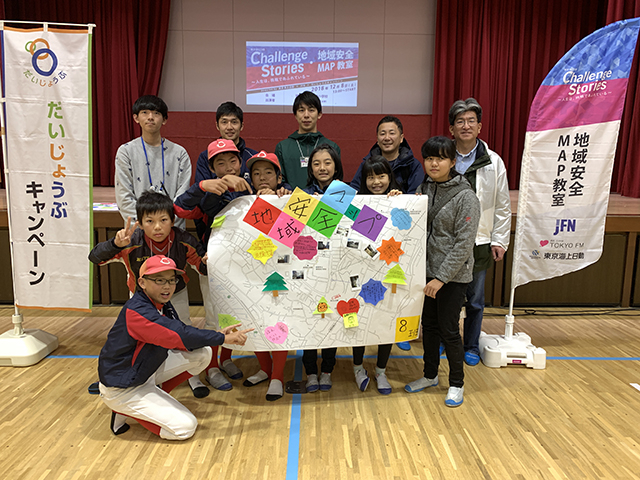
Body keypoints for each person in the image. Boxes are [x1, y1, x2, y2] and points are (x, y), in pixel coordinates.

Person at [98, 255, 252, 440]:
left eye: (172, 280)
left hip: (144, 371)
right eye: (159, 280)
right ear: (142, 282)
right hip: (123, 386)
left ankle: (155, 396)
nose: (167, 286)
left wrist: (216, 334)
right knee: (185, 428)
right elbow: (179, 334)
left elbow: (181, 333)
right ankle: (123, 409)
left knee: (202, 354)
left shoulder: (160, 303)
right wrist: (221, 337)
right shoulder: (138, 312)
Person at [88, 190, 210, 397]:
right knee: (135, 340)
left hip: (175, 294)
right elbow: (95, 258)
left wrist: (208, 262)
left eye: (163, 220)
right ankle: (124, 378)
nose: (157, 227)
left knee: (183, 331)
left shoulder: (183, 240)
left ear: (173, 220)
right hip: (140, 298)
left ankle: (193, 377)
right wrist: (115, 245)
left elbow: (201, 267)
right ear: (141, 223)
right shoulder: (130, 241)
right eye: (150, 221)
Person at [405, 136, 480, 407]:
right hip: (424, 273)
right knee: (429, 327)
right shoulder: (423, 189)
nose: (434, 163)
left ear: (453, 161)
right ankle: (430, 375)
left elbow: (464, 244)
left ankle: (457, 383)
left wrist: (441, 278)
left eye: (440, 158)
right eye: (429, 158)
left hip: (452, 277)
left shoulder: (466, 197)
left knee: (449, 330)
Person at [174, 139, 254, 391]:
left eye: (233, 160)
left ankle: (226, 359)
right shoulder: (206, 194)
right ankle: (211, 368)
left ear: (240, 162)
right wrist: (201, 186)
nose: (228, 167)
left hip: (247, 266)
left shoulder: (251, 188)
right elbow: (179, 208)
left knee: (237, 315)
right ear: (211, 168)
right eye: (220, 163)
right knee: (213, 319)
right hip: (214, 267)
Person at [448, 98, 511, 366]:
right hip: (448, 241)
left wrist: (499, 240)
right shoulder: (443, 157)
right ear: (451, 128)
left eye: (471, 121)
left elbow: (502, 204)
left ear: (479, 126)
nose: (466, 126)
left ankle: (471, 345)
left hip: (480, 240)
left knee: (475, 299)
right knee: (447, 298)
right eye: (460, 121)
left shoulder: (493, 161)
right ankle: (445, 341)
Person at [241, 151, 292, 401]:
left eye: (268, 173)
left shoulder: (288, 200)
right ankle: (265, 369)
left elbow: (293, 235)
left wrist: (282, 200)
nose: (262, 178)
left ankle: (277, 376)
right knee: (253, 322)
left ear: (279, 177)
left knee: (277, 323)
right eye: (257, 173)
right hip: (250, 274)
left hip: (280, 275)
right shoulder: (241, 203)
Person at [352, 155, 402, 395]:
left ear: (389, 177)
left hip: (388, 274)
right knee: (359, 321)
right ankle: (357, 367)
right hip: (362, 274)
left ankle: (381, 370)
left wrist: (400, 201)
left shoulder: (399, 201)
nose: (376, 182)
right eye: (370, 177)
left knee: (386, 322)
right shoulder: (357, 205)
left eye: (381, 176)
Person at [300, 144, 344, 392]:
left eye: (327, 162)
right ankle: (310, 372)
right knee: (309, 321)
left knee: (331, 321)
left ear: (336, 166)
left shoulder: (346, 194)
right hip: (308, 271)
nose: (322, 168)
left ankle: (327, 370)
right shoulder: (301, 196)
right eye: (316, 163)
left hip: (335, 271)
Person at [114, 95, 191, 229]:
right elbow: (124, 196)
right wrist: (146, 226)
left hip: (172, 230)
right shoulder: (126, 151)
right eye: (145, 112)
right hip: (138, 230)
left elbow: (183, 196)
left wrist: (166, 224)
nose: (150, 117)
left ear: (164, 120)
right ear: (136, 118)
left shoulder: (179, 153)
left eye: (156, 113)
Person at [275, 91, 340, 190]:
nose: (306, 115)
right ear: (295, 115)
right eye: (301, 110)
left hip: (322, 199)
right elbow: (280, 181)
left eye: (311, 110)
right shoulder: (283, 147)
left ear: (319, 114)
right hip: (291, 199)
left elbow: (337, 180)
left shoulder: (332, 146)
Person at [349, 116, 424, 195]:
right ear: (377, 139)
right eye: (382, 134)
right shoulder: (367, 164)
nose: (387, 138)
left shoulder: (413, 165)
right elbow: (354, 193)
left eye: (392, 133)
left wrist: (400, 198)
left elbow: (415, 197)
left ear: (401, 138)